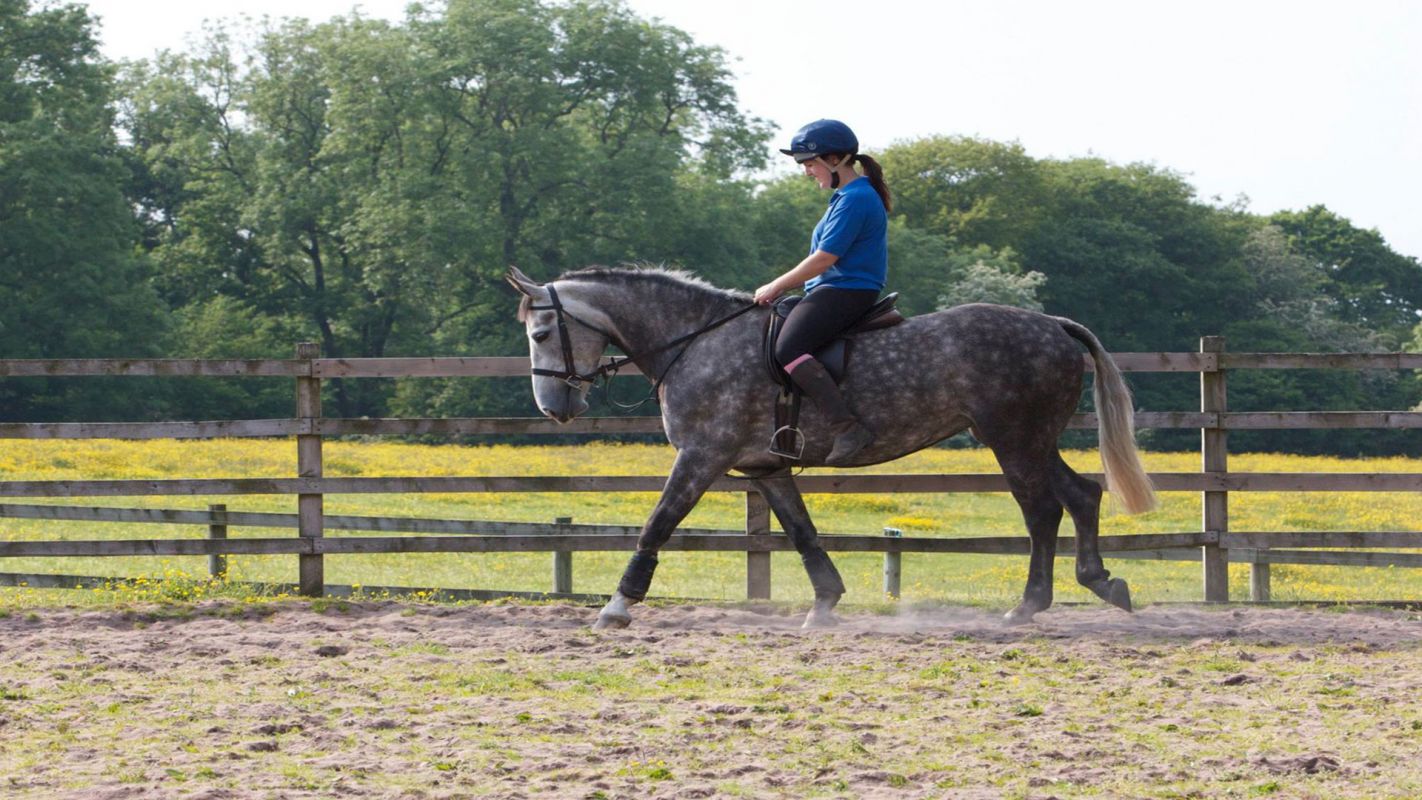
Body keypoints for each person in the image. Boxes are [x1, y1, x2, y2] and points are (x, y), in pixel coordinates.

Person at [754, 119, 893, 465]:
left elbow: (824, 259)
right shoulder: (845, 197)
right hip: (833, 287)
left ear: (836, 160)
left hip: (846, 289)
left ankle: (846, 427)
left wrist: (775, 285)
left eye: (810, 164)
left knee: (790, 347)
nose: (806, 172)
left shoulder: (856, 199)